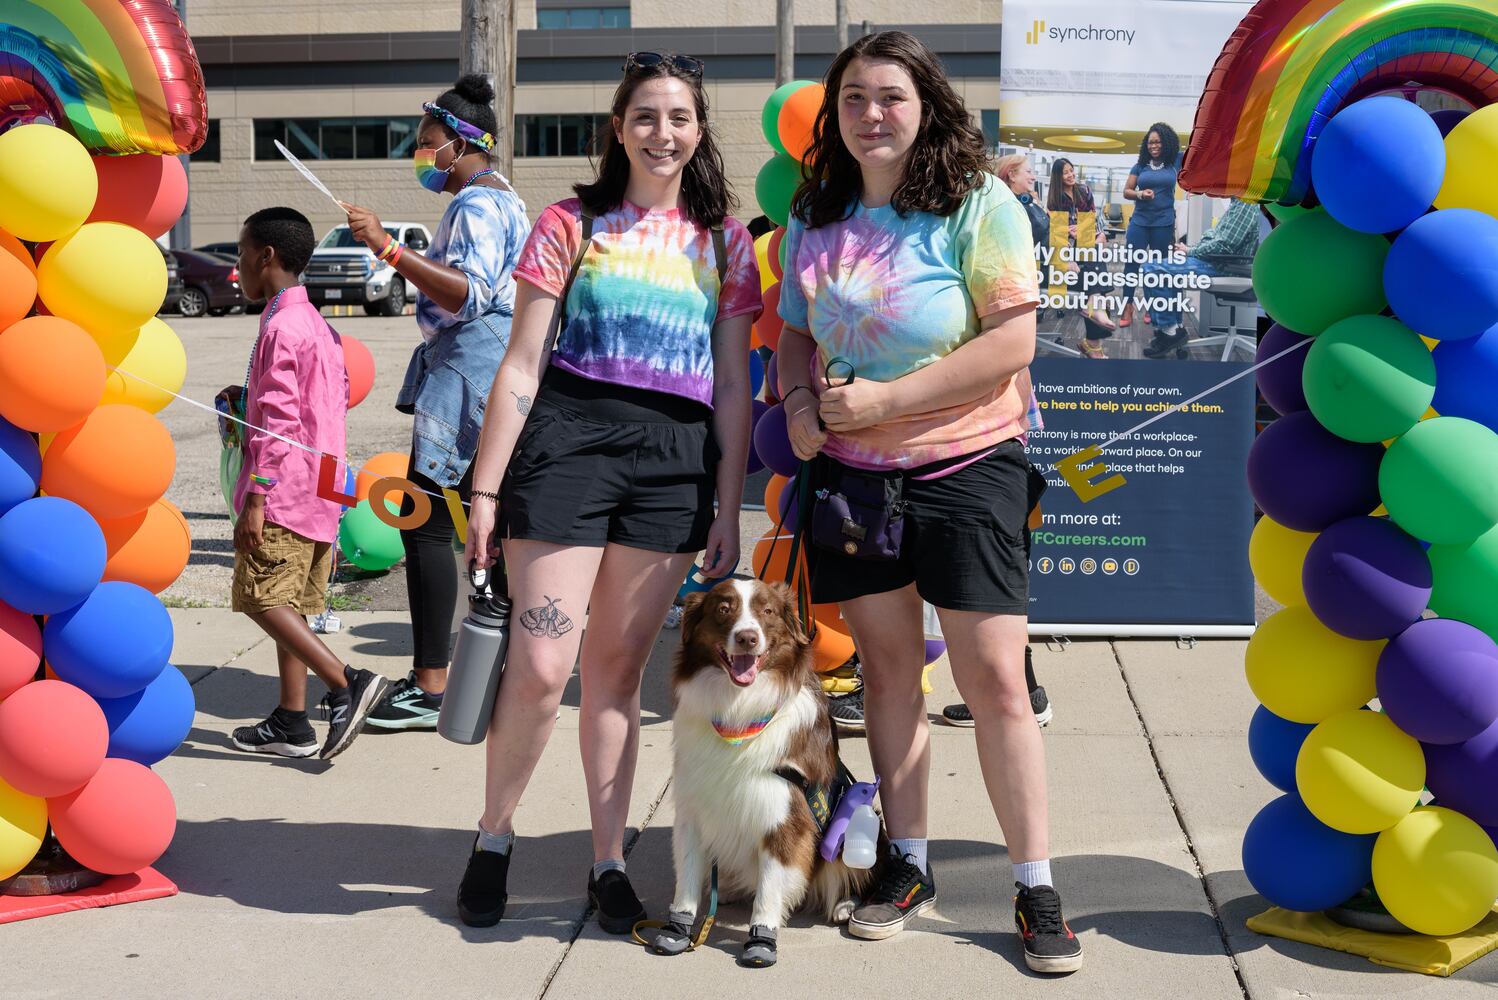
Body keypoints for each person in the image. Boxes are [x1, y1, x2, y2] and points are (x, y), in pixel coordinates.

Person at [776, 31, 1083, 973]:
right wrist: (796, 405)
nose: (873, 113)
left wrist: (885, 401)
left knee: (994, 682)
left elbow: (1010, 346)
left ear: (928, 106)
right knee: (887, 678)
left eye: (892, 97)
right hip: (856, 485)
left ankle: (1034, 884)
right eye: (856, 97)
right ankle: (906, 865)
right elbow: (793, 332)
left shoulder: (976, 202)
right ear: (834, 113)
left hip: (967, 467)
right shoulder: (814, 214)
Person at [455, 51, 760, 932]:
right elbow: (519, 365)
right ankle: (494, 837)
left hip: (674, 460)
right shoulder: (569, 221)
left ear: (699, 131)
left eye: (680, 118)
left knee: (617, 674)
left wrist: (727, 500)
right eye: (645, 117)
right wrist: (484, 488)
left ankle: (608, 859)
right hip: (568, 445)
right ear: (618, 128)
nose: (663, 133)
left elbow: (735, 385)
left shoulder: (725, 241)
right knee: (544, 667)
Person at [339, 76, 532, 731]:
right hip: (496, 367)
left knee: (422, 519)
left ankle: (429, 684)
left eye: (427, 144)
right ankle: (494, 674)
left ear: (461, 143)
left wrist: (388, 249)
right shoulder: (509, 198)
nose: (419, 156)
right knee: (490, 524)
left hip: (471, 367)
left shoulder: (475, 206)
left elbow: (469, 295)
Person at [221, 207, 391, 760]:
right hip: (323, 488)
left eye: (241, 254)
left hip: (286, 491)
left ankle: (347, 682)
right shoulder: (320, 324)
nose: (237, 267)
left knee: (260, 598)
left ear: (266, 256)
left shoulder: (281, 326)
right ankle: (292, 720)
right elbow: (319, 409)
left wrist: (256, 498)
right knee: (290, 604)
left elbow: (279, 422)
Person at [1141, 198, 1260, 359]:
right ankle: (1174, 329)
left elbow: (1224, 245)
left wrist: (1190, 251)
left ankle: (1170, 331)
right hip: (1216, 261)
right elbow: (1216, 237)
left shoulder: (1246, 204)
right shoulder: (1238, 204)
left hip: (1224, 266)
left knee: (1153, 270)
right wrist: (1193, 248)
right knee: (1159, 270)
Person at [1046, 157, 1114, 359]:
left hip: (1084, 244)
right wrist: (1067, 229)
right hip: (1065, 253)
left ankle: (1093, 339)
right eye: (1066, 172)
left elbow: (1093, 219)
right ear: (1058, 176)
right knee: (1096, 285)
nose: (1071, 175)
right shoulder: (1055, 199)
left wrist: (1084, 229)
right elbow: (1052, 234)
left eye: (1072, 170)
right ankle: (1093, 345)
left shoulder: (1084, 191)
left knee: (1093, 272)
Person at [1119, 123, 1181, 329]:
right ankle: (1127, 306)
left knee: (1155, 267)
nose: (1153, 145)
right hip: (1139, 222)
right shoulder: (1140, 166)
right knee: (1132, 265)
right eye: (1150, 142)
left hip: (1163, 224)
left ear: (1167, 143)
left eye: (1158, 142)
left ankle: (1151, 306)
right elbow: (1127, 190)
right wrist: (1139, 194)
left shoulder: (1174, 162)